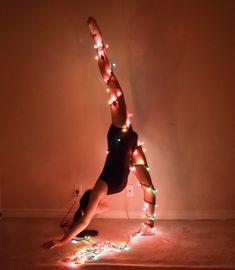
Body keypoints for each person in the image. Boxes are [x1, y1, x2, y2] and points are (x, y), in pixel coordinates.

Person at [44, 17, 156, 249]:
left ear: (91, 198)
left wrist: (66, 236)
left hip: (121, 136)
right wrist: (65, 236)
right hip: (130, 145)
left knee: (113, 85)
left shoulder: (101, 188)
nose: (99, 208)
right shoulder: (101, 190)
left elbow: (86, 217)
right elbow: (86, 216)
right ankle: (149, 225)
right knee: (149, 188)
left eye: (94, 204)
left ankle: (98, 40)